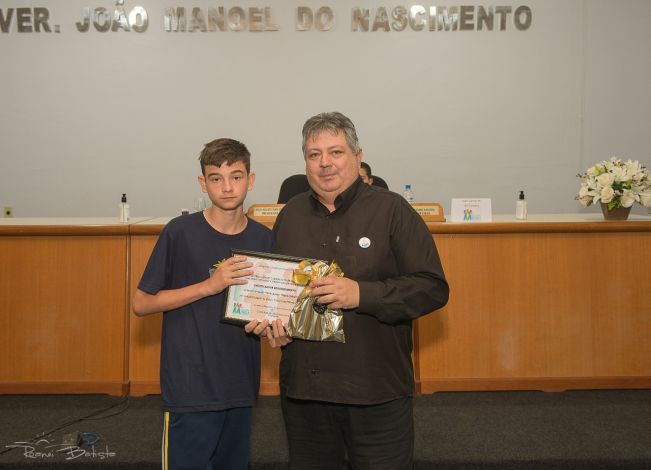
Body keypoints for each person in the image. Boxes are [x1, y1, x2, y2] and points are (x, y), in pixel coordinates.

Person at [247, 112, 449, 469]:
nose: (325, 163)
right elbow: (278, 293)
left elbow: (432, 287)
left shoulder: (392, 210)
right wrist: (274, 326)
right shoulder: (290, 214)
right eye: (314, 154)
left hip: (376, 393)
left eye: (335, 152)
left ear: (358, 156)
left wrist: (361, 294)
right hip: (305, 396)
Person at [132, 138, 273, 470]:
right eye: (216, 178)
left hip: (240, 385)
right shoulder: (180, 232)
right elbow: (142, 303)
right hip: (191, 388)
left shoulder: (264, 238)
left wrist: (269, 326)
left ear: (251, 180)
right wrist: (209, 286)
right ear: (202, 183)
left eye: (236, 176)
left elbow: (266, 308)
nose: (227, 187)